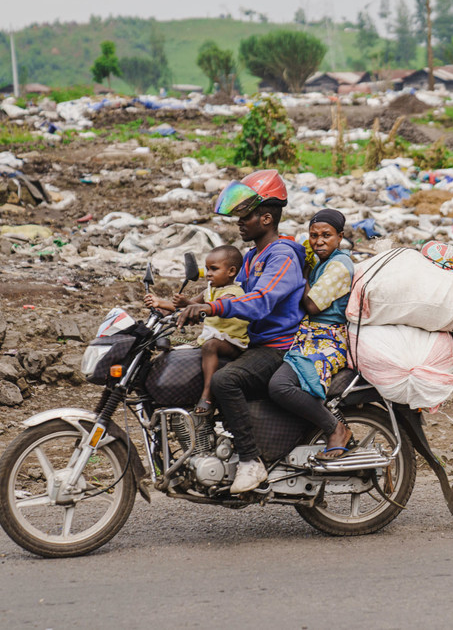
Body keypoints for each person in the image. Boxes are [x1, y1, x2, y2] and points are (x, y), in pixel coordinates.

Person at [177, 171, 306, 493]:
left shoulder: (282, 255)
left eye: (245, 215)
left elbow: (259, 301)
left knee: (225, 379)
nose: (239, 222)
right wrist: (184, 306)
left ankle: (251, 461)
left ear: (266, 218)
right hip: (254, 343)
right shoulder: (251, 257)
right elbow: (231, 293)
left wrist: (212, 308)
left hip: (279, 347)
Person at [268, 209, 354, 460]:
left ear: (340, 237)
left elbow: (313, 305)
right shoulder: (322, 261)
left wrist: (302, 271)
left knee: (280, 386)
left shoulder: (339, 266)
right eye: (313, 235)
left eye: (326, 235)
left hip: (327, 342)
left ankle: (335, 428)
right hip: (308, 336)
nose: (318, 241)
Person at [144, 245, 248, 419]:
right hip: (212, 337)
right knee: (179, 347)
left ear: (231, 271)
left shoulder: (234, 293)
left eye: (214, 269)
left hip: (233, 341)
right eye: (207, 269)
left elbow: (212, 308)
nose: (208, 273)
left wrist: (188, 304)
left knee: (209, 347)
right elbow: (185, 307)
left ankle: (207, 395)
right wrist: (159, 303)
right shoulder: (209, 290)